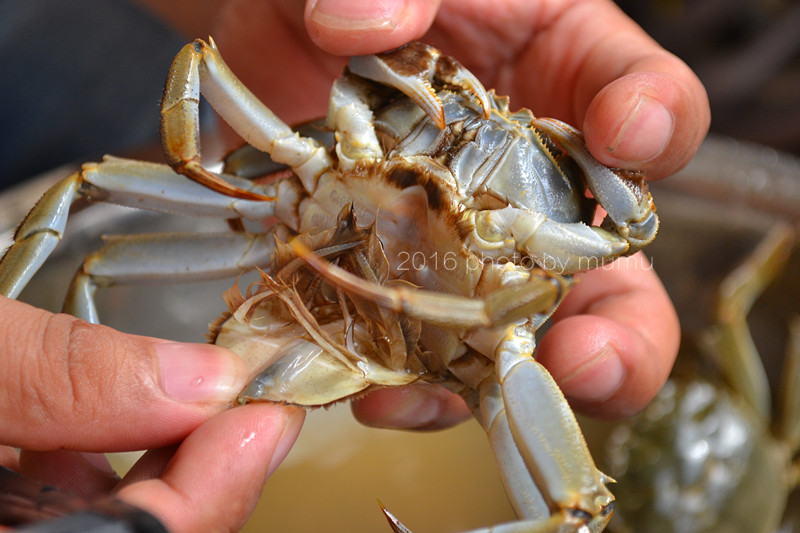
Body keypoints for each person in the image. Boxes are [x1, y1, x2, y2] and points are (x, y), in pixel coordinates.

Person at [0, 0, 709, 531]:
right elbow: (199, 68)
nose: (470, 141)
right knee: (88, 226)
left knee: (574, 509)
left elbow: (570, 503)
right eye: (455, 112)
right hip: (286, 214)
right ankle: (74, 451)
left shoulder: (530, 295)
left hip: (479, 326)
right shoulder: (333, 144)